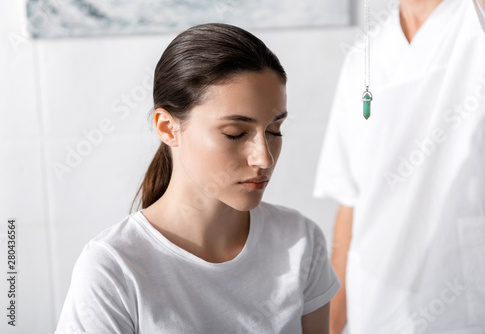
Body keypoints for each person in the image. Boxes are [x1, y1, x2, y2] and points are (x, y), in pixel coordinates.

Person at [55, 23, 340, 334]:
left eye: (274, 130)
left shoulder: (299, 242)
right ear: (167, 128)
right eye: (235, 133)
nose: (264, 157)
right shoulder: (113, 268)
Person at [314, 0, 485, 333]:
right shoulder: (362, 58)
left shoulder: (483, 17)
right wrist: (332, 323)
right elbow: (350, 204)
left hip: (470, 306)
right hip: (375, 309)